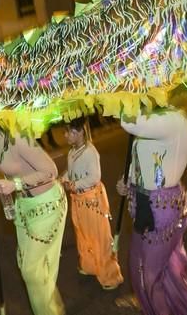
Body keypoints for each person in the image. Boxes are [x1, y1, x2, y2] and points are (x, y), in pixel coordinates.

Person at [115, 84, 187, 315]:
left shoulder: (176, 121)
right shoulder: (161, 120)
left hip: (161, 208)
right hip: (143, 202)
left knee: (149, 274)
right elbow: (143, 156)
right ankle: (151, 303)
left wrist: (121, 88)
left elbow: (129, 122)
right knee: (140, 267)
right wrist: (127, 181)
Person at [0, 130, 66, 315]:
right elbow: (9, 165)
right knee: (32, 267)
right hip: (23, 206)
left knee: (31, 271)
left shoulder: (19, 136)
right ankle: (53, 308)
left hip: (46, 204)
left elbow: (51, 171)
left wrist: (15, 184)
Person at [61, 116, 123, 290]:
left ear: (80, 131)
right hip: (78, 200)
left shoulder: (90, 152)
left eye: (69, 131)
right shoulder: (73, 151)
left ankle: (111, 276)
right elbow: (70, 171)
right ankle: (90, 266)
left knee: (100, 237)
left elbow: (95, 177)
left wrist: (73, 184)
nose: (65, 135)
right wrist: (63, 179)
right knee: (83, 235)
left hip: (91, 200)